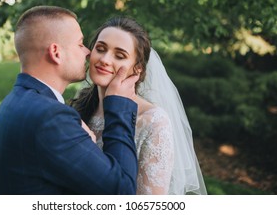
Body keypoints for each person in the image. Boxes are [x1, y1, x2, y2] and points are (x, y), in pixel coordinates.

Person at [0, 6, 140, 195]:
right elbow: (122, 192)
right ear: (56, 53)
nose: (87, 52)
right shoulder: (51, 118)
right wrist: (119, 105)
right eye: (80, 44)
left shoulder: (14, 101)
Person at [71, 16, 207, 195]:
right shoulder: (78, 109)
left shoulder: (153, 122)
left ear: (137, 69)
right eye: (101, 49)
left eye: (119, 55)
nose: (104, 59)